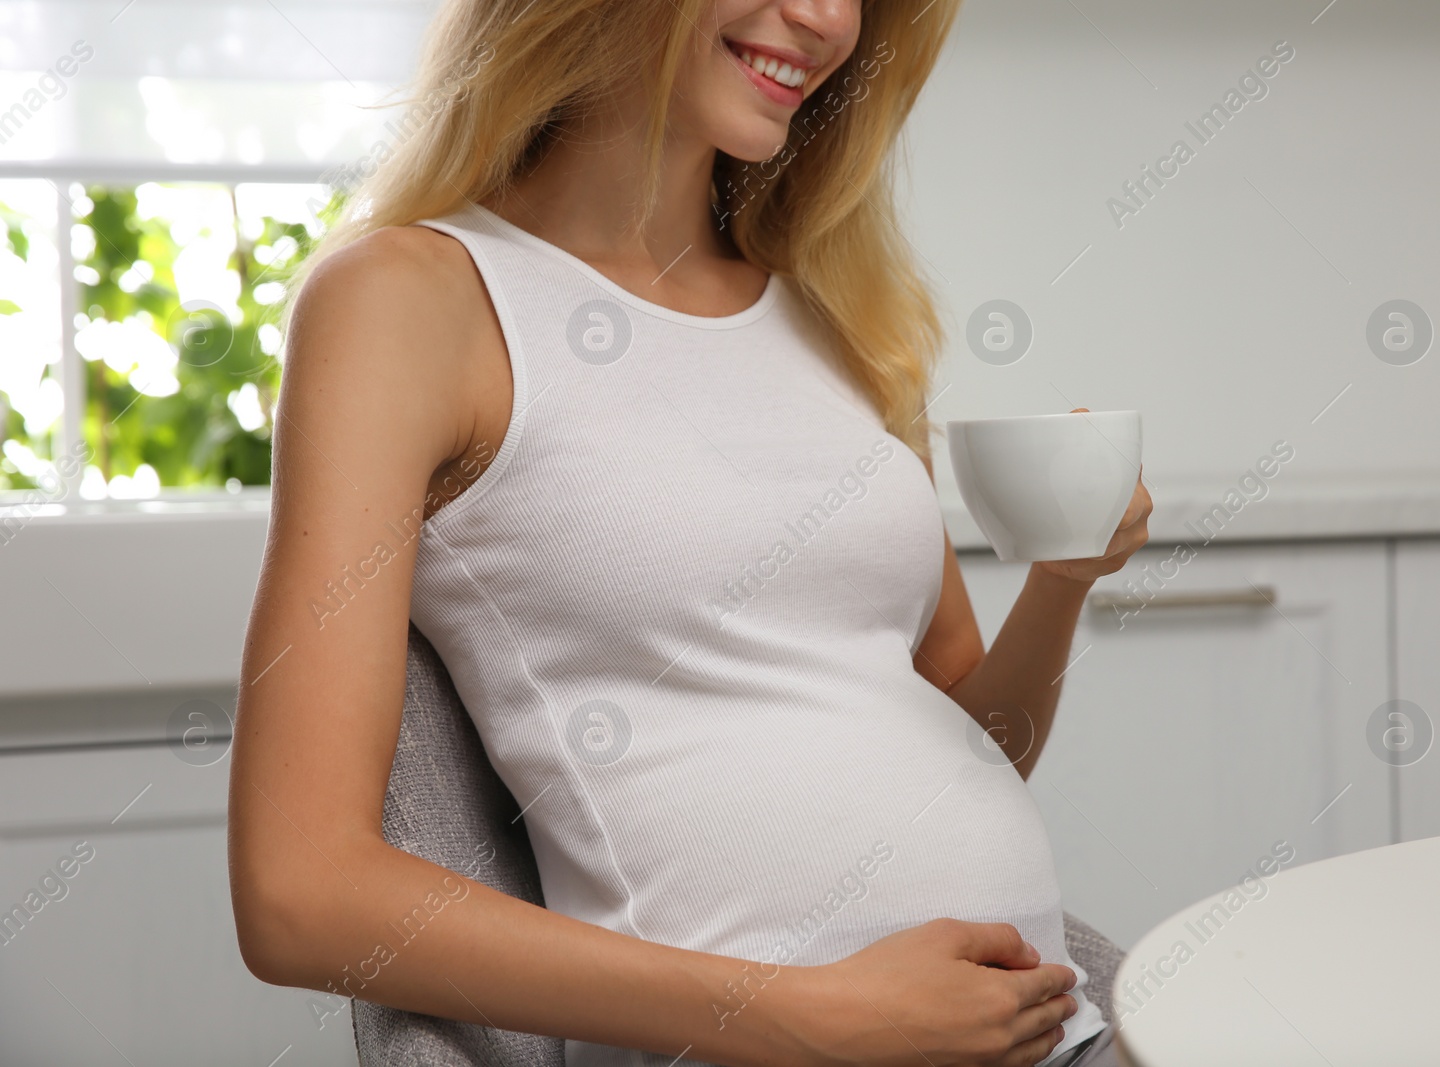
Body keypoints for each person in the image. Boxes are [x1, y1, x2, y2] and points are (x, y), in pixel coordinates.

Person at [227, 1, 1151, 1064]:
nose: (826, 19)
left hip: (1047, 1034)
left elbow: (975, 751)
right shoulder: (410, 302)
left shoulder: (837, 312)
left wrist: (1064, 577)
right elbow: (298, 892)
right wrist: (803, 1013)